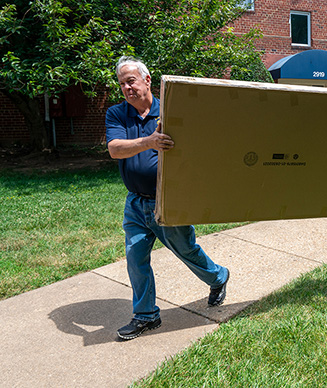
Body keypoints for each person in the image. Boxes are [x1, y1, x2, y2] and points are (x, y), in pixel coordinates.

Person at [106, 56, 230, 340]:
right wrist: (149, 141)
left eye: (131, 81)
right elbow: (114, 149)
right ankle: (146, 316)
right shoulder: (117, 114)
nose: (127, 87)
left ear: (147, 80)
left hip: (168, 199)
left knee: (186, 251)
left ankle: (218, 276)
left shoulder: (173, 109)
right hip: (135, 203)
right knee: (136, 258)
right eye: (122, 83)